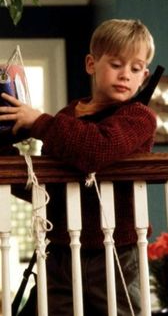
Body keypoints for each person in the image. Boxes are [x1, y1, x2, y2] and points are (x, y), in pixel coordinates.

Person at [0, 18, 157, 316]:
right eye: (116, 64)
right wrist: (7, 142)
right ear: (91, 64)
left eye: (135, 69)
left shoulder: (139, 117)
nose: (125, 74)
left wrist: (39, 122)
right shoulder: (68, 116)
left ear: (144, 77)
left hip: (115, 251)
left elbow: (96, 149)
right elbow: (51, 188)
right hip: (61, 250)